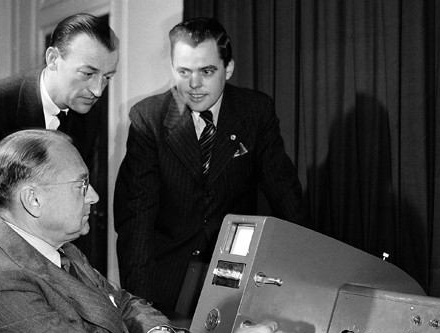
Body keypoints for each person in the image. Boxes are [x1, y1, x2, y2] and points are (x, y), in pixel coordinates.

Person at [0, 129, 285, 333]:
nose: (93, 196)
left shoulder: (57, 248)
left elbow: (120, 302)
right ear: (33, 200)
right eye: (81, 185)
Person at [0, 13, 118, 331]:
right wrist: (20, 291)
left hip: (39, 276)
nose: (98, 90)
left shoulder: (87, 111)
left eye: (107, 77)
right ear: (53, 59)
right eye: (88, 73)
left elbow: (70, 199)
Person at [114, 17, 307, 316]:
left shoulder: (255, 111)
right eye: (184, 71)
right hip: (167, 280)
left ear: (228, 68)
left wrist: (306, 275)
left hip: (235, 279)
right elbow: (136, 221)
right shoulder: (148, 118)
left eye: (206, 71)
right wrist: (141, 310)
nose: (194, 84)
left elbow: (285, 194)